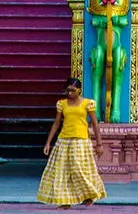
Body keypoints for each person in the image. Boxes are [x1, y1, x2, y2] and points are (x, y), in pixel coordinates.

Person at [38, 78, 105, 206]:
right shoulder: (61, 104)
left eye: (72, 90)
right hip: (64, 140)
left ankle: (90, 194)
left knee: (79, 170)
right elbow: (56, 123)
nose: (69, 93)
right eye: (67, 90)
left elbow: (95, 124)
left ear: (79, 91)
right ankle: (65, 201)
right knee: (61, 172)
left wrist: (99, 144)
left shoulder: (88, 103)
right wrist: (48, 143)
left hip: (81, 141)